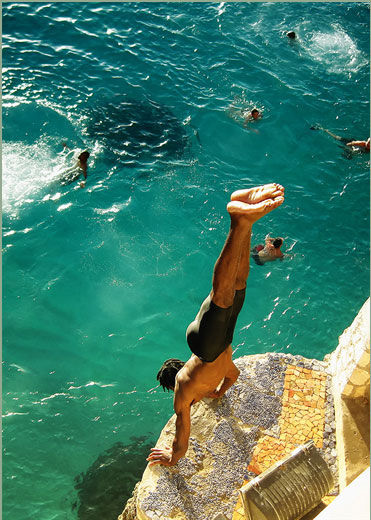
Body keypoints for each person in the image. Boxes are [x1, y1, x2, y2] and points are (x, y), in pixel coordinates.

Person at [146, 184, 285, 467]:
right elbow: (232, 376)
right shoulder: (213, 376)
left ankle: (238, 221)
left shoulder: (183, 391)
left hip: (209, 346)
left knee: (221, 294)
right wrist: (219, 392)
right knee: (237, 284)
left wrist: (173, 458)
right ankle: (244, 216)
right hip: (219, 342)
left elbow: (182, 433)